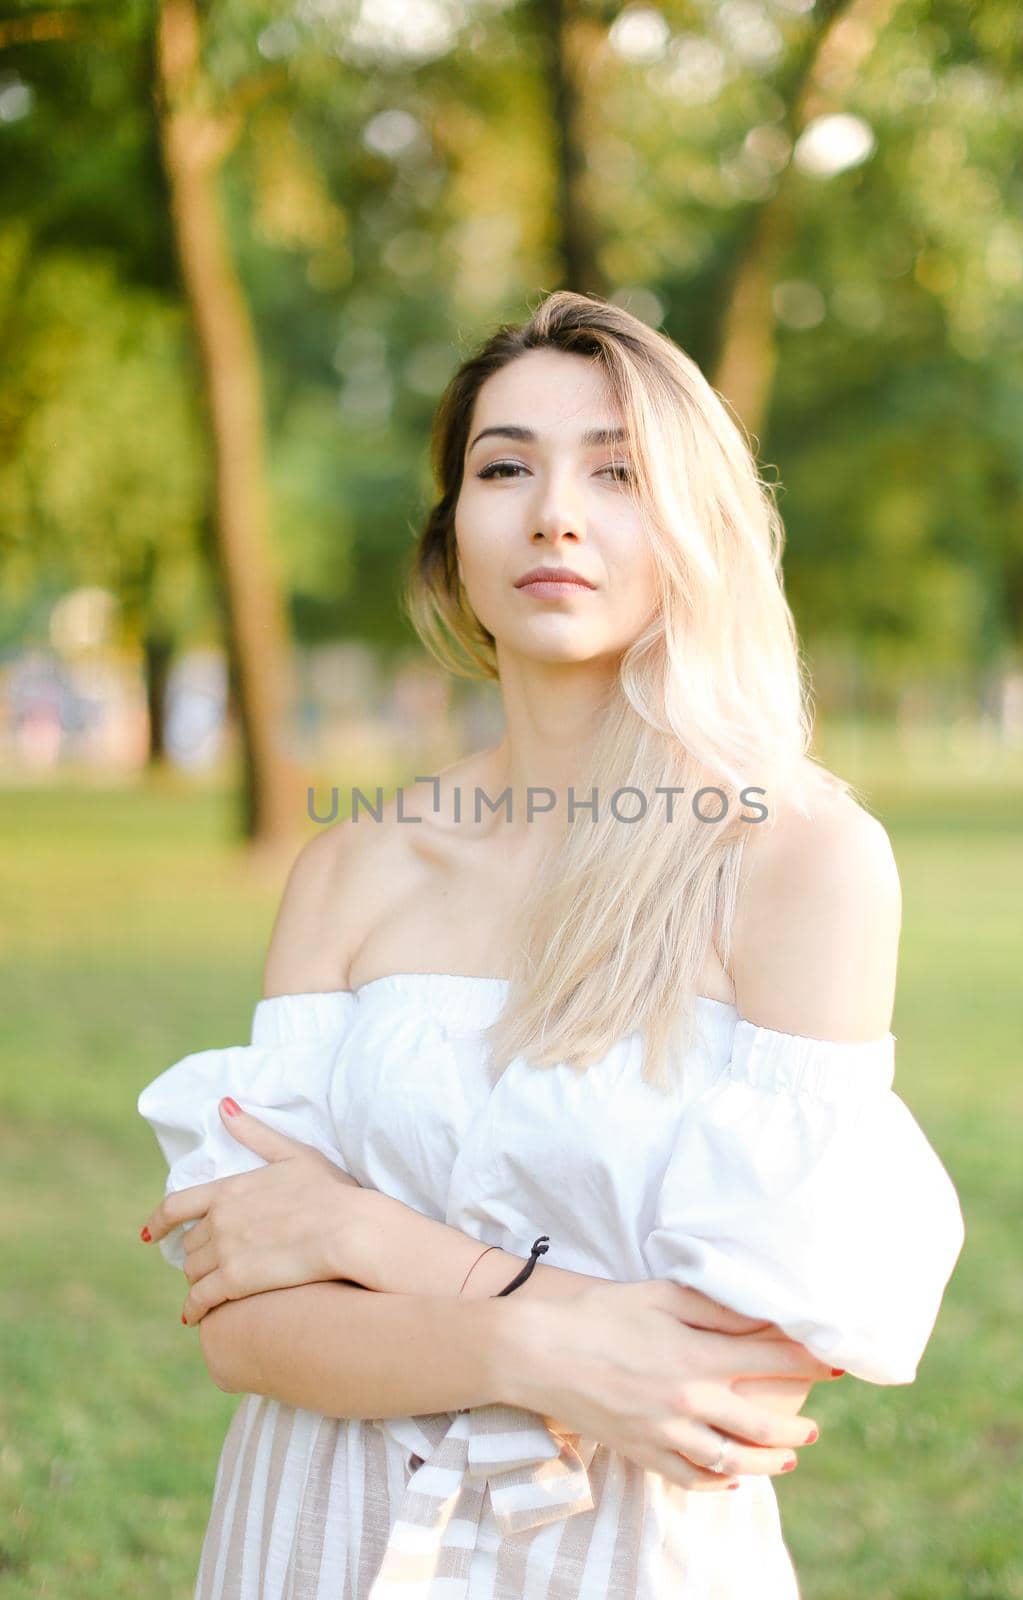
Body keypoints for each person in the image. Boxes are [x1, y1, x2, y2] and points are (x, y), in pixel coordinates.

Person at [137, 290, 966, 1599]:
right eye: (503, 466)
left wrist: (364, 1233)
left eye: (618, 471)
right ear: (448, 538)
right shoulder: (356, 867)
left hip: (624, 1556)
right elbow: (246, 1326)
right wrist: (546, 1348)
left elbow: (741, 1367)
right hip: (314, 1533)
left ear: (698, 527)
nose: (554, 512)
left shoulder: (802, 860)